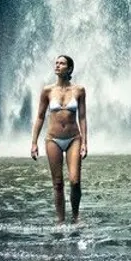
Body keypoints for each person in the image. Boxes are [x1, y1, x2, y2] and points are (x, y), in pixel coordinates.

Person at [29, 54, 88, 223]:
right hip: (53, 139)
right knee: (58, 183)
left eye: (61, 63)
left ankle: (76, 216)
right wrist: (34, 142)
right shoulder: (47, 90)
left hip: (74, 138)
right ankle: (60, 220)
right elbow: (40, 116)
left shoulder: (79, 90)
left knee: (75, 181)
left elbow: (82, 117)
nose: (57, 65)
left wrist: (85, 142)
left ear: (69, 68)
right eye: (56, 63)